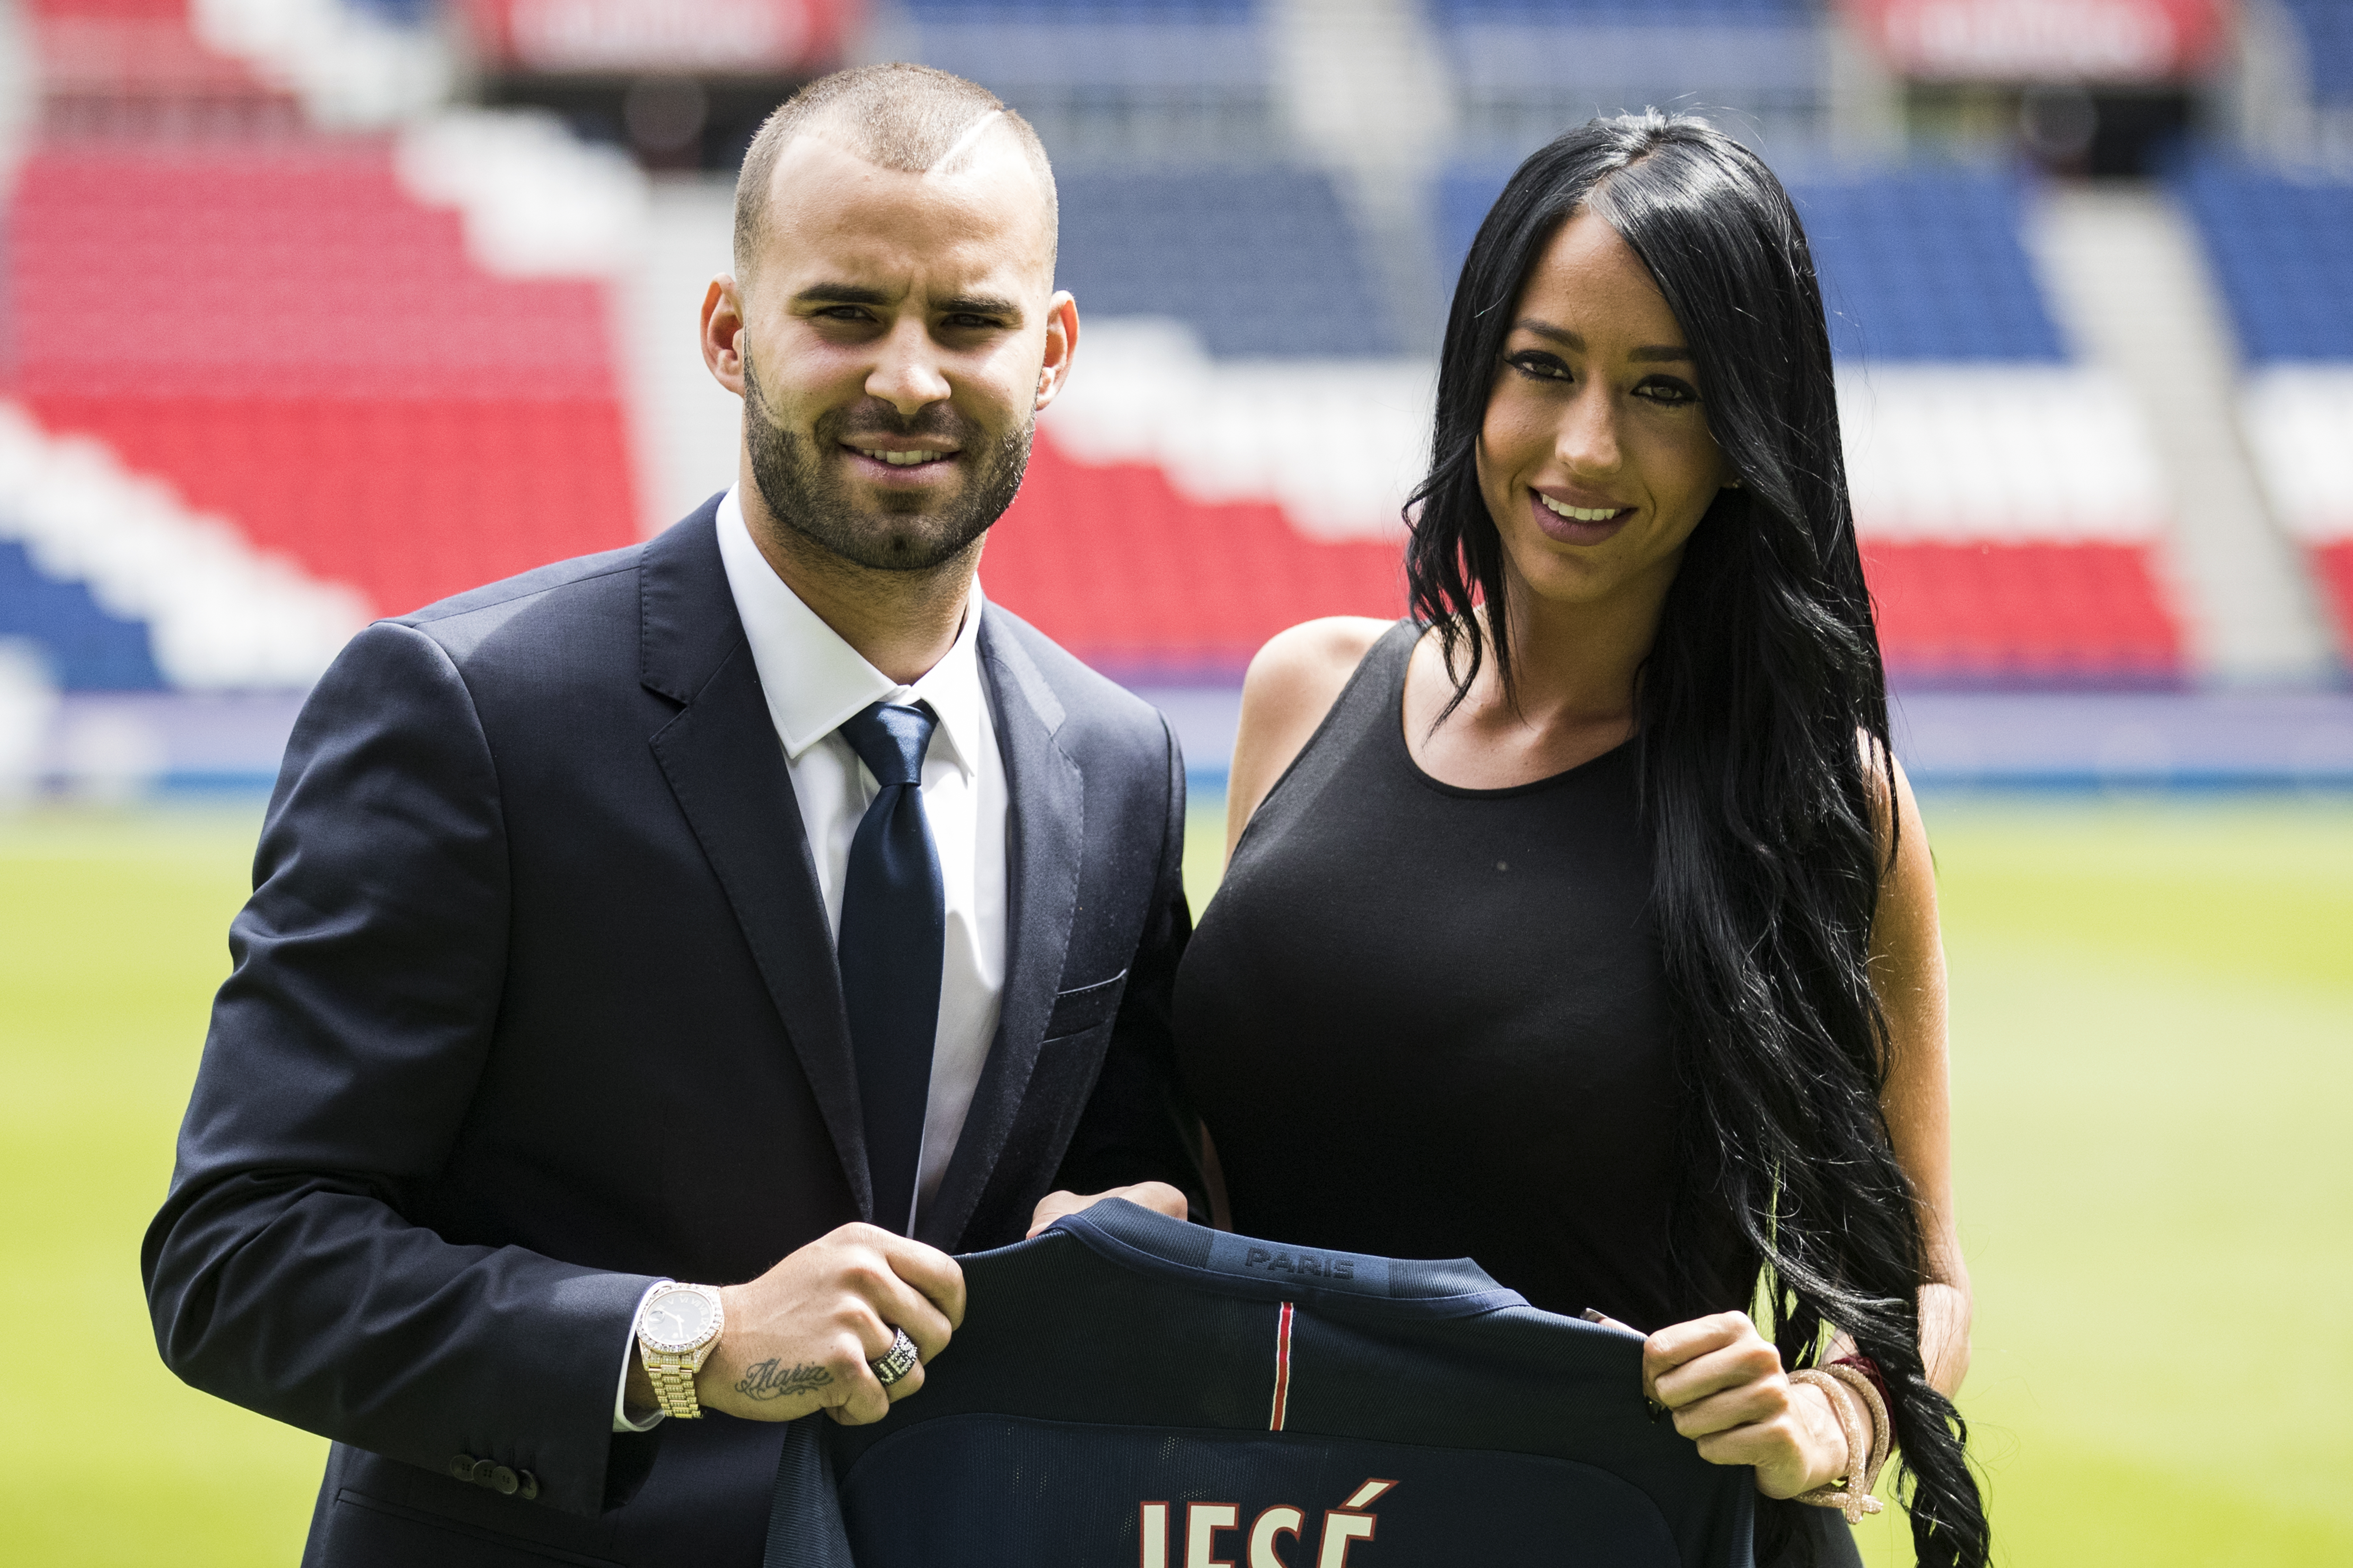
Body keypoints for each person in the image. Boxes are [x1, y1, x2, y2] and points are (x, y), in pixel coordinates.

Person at [143, 65, 1198, 1568]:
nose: (908, 376)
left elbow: (1110, 1198)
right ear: (727, 332)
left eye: (968, 321)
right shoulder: (468, 710)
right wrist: (687, 1340)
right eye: (843, 312)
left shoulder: (1120, 760)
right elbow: (238, 1257)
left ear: (1052, 351)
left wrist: (1131, 1242)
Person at [1162, 116, 1988, 1567]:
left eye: (1665, 390)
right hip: (1296, 1521)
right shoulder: (1305, 690)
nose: (1586, 444)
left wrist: (1833, 1419)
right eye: (1543, 367)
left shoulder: (1819, 805)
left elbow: (1917, 1276)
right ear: (1475, 374)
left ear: (1747, 438)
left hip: (1629, 1526)